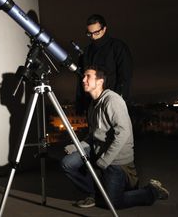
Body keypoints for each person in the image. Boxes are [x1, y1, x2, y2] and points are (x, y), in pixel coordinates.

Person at [61, 66, 169, 209]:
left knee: (113, 202)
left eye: (88, 76)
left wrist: (105, 160)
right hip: (98, 151)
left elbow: (123, 132)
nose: (83, 79)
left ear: (100, 81)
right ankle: (93, 194)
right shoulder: (93, 105)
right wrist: (76, 147)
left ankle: (152, 190)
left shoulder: (112, 100)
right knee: (68, 163)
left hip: (117, 160)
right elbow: (94, 135)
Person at [75, 14, 133, 115]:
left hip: (112, 104)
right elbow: (81, 79)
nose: (93, 36)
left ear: (104, 29)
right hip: (92, 105)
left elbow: (125, 77)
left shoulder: (118, 47)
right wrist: (80, 105)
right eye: (89, 34)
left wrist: (118, 102)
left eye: (96, 32)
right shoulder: (86, 52)